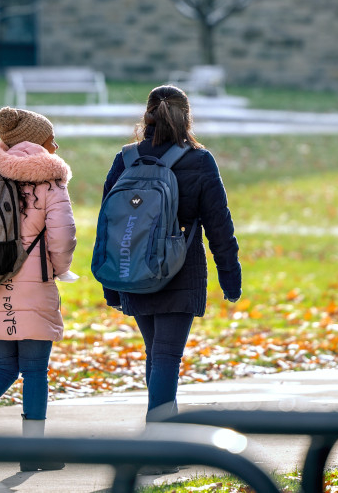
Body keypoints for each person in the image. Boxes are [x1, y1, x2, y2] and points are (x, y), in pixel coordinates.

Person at [100, 85, 242, 427]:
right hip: (181, 269)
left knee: (156, 355)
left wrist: (112, 287)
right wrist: (230, 280)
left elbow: (110, 225)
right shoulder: (199, 160)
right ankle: (159, 442)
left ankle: (165, 433)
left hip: (133, 269)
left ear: (146, 115)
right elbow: (219, 226)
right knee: (165, 357)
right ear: (187, 117)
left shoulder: (127, 158)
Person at [0, 107, 76, 472]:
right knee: (35, 370)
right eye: (50, 137)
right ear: (37, 141)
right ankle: (33, 454)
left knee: (4, 367)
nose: (55, 143)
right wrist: (61, 270)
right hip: (33, 284)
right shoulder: (49, 182)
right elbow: (63, 236)